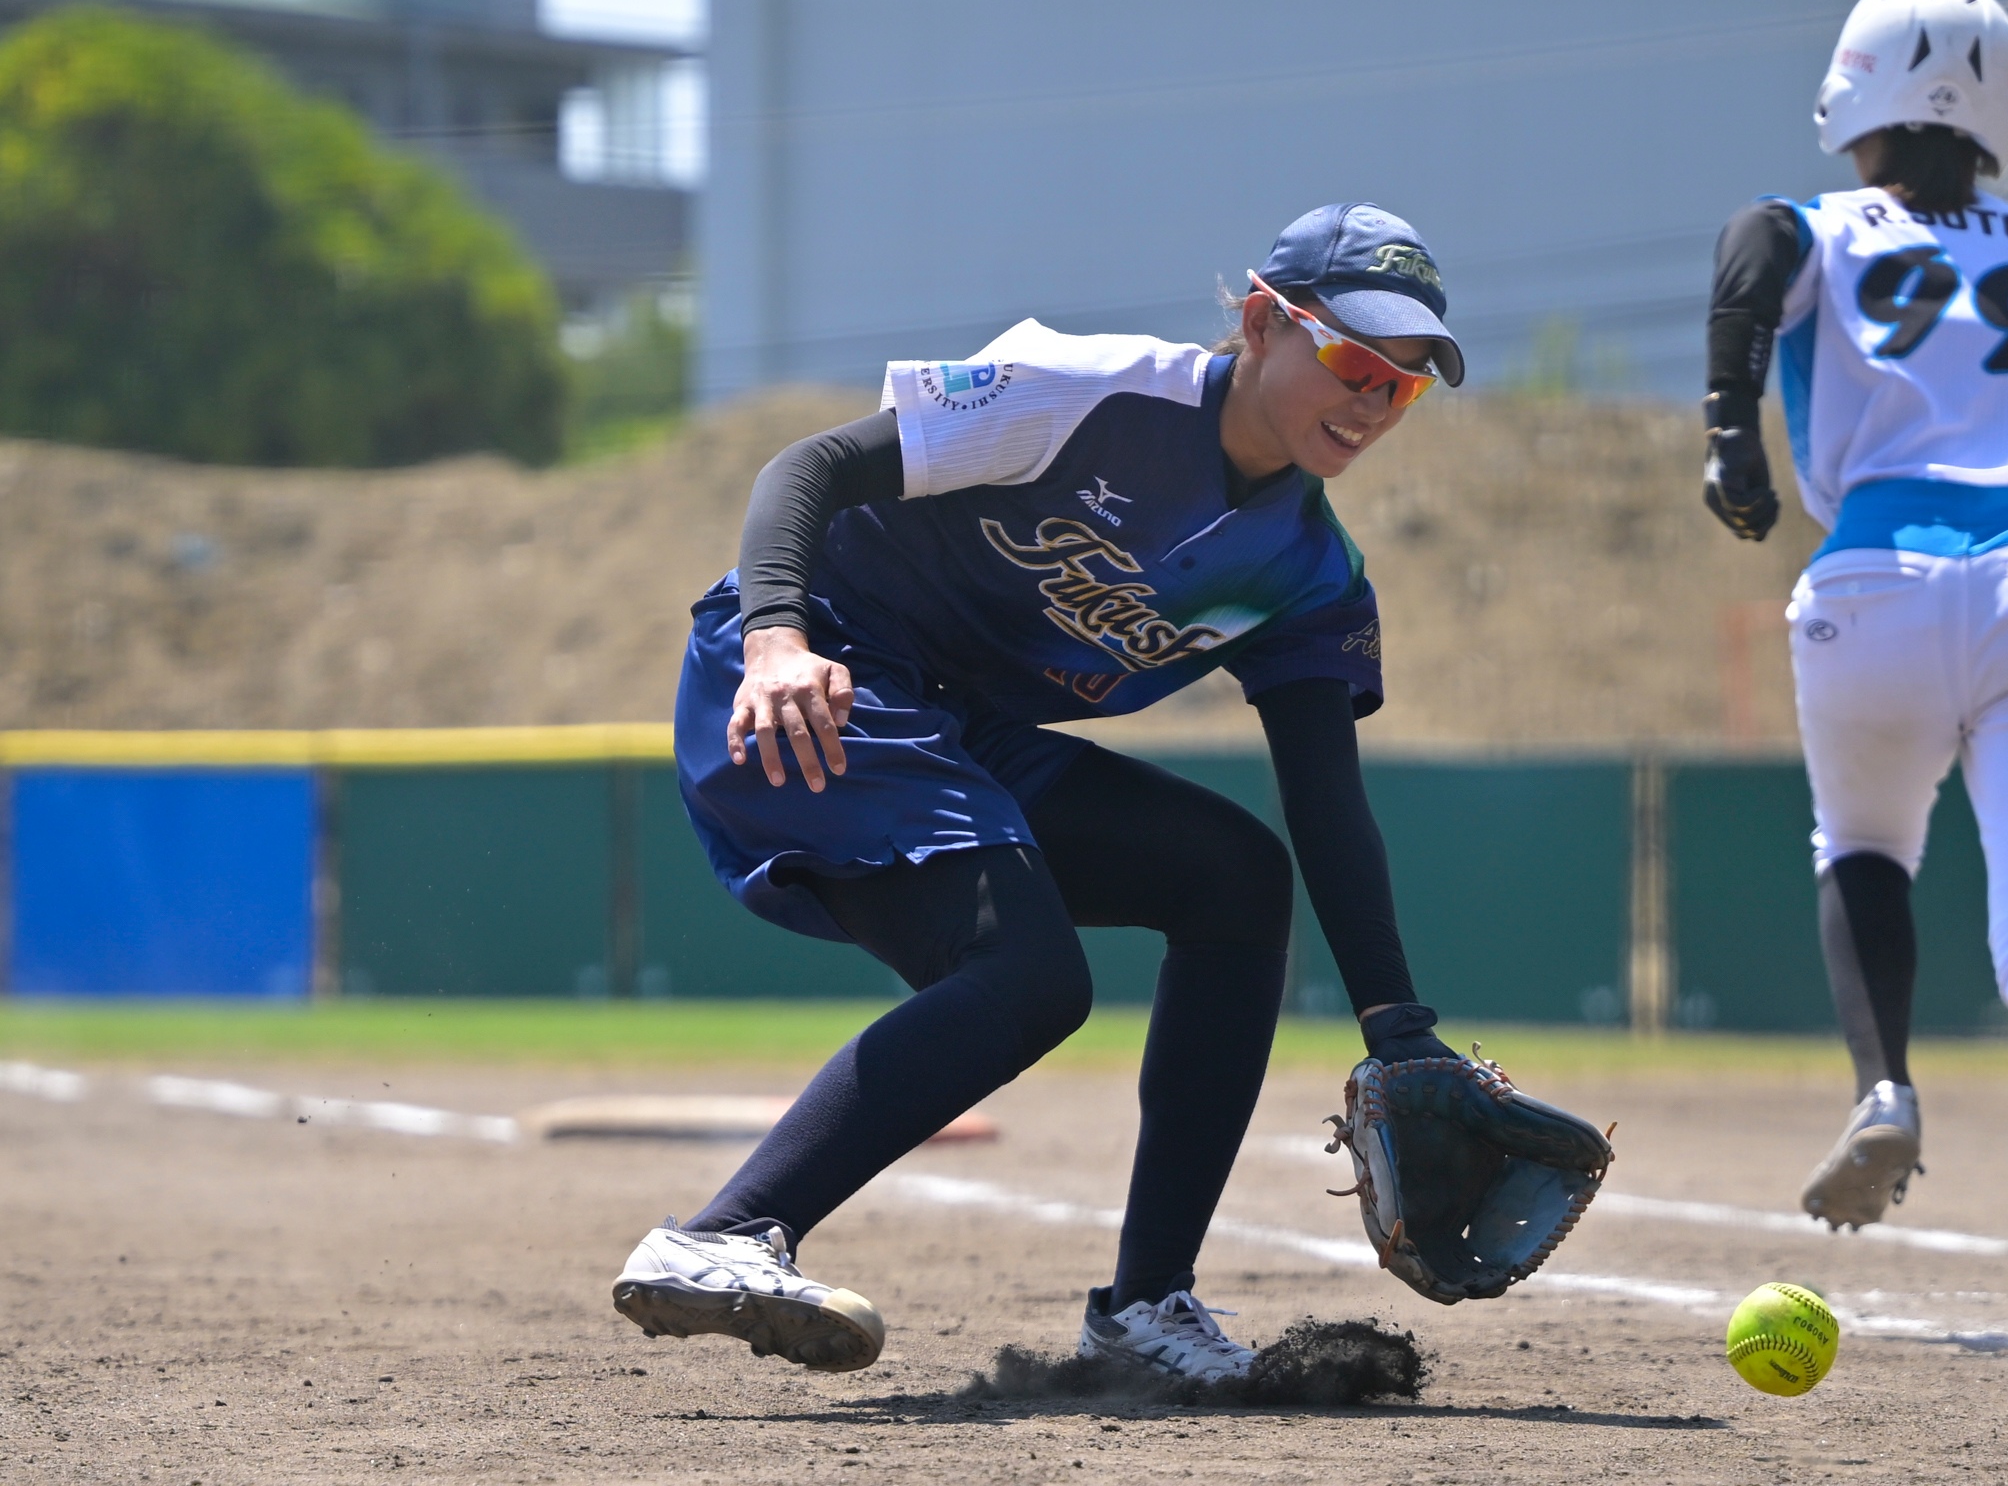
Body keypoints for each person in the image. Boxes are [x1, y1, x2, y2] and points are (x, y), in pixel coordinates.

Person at [609, 203, 1469, 1383]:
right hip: (816, 683)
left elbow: (1326, 801)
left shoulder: (1309, 575)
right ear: (1265, 322)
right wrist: (776, 639)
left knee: (1234, 879)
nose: (1374, 405)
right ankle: (722, 1236)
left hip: (959, 733)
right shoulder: (1093, 391)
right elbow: (807, 469)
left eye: (1404, 387)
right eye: (1356, 364)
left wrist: (1396, 1024)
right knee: (1029, 973)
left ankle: (1146, 1308)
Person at [1699, 0, 2008, 1356]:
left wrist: (1729, 434)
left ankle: (1885, 1088)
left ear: (1857, 99)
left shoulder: (1825, 227)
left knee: (1865, 845)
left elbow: (1753, 240)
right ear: (1998, 110)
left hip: (1877, 579)